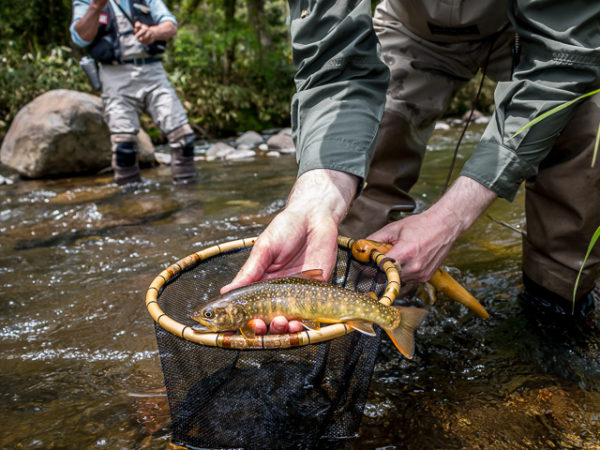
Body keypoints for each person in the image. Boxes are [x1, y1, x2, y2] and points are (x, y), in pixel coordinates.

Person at [223, 0, 600, 333]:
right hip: (409, 27)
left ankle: (556, 314)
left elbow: (561, 61)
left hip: (533, 33)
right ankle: (376, 310)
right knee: (373, 146)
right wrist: (317, 199)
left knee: (579, 134)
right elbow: (334, 62)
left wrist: (451, 218)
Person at [70, 0, 196, 184]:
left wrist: (153, 32)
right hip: (114, 74)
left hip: (153, 71)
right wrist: (96, 7)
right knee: (124, 146)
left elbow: (170, 26)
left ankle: (189, 199)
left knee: (183, 137)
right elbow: (80, 38)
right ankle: (129, 204)